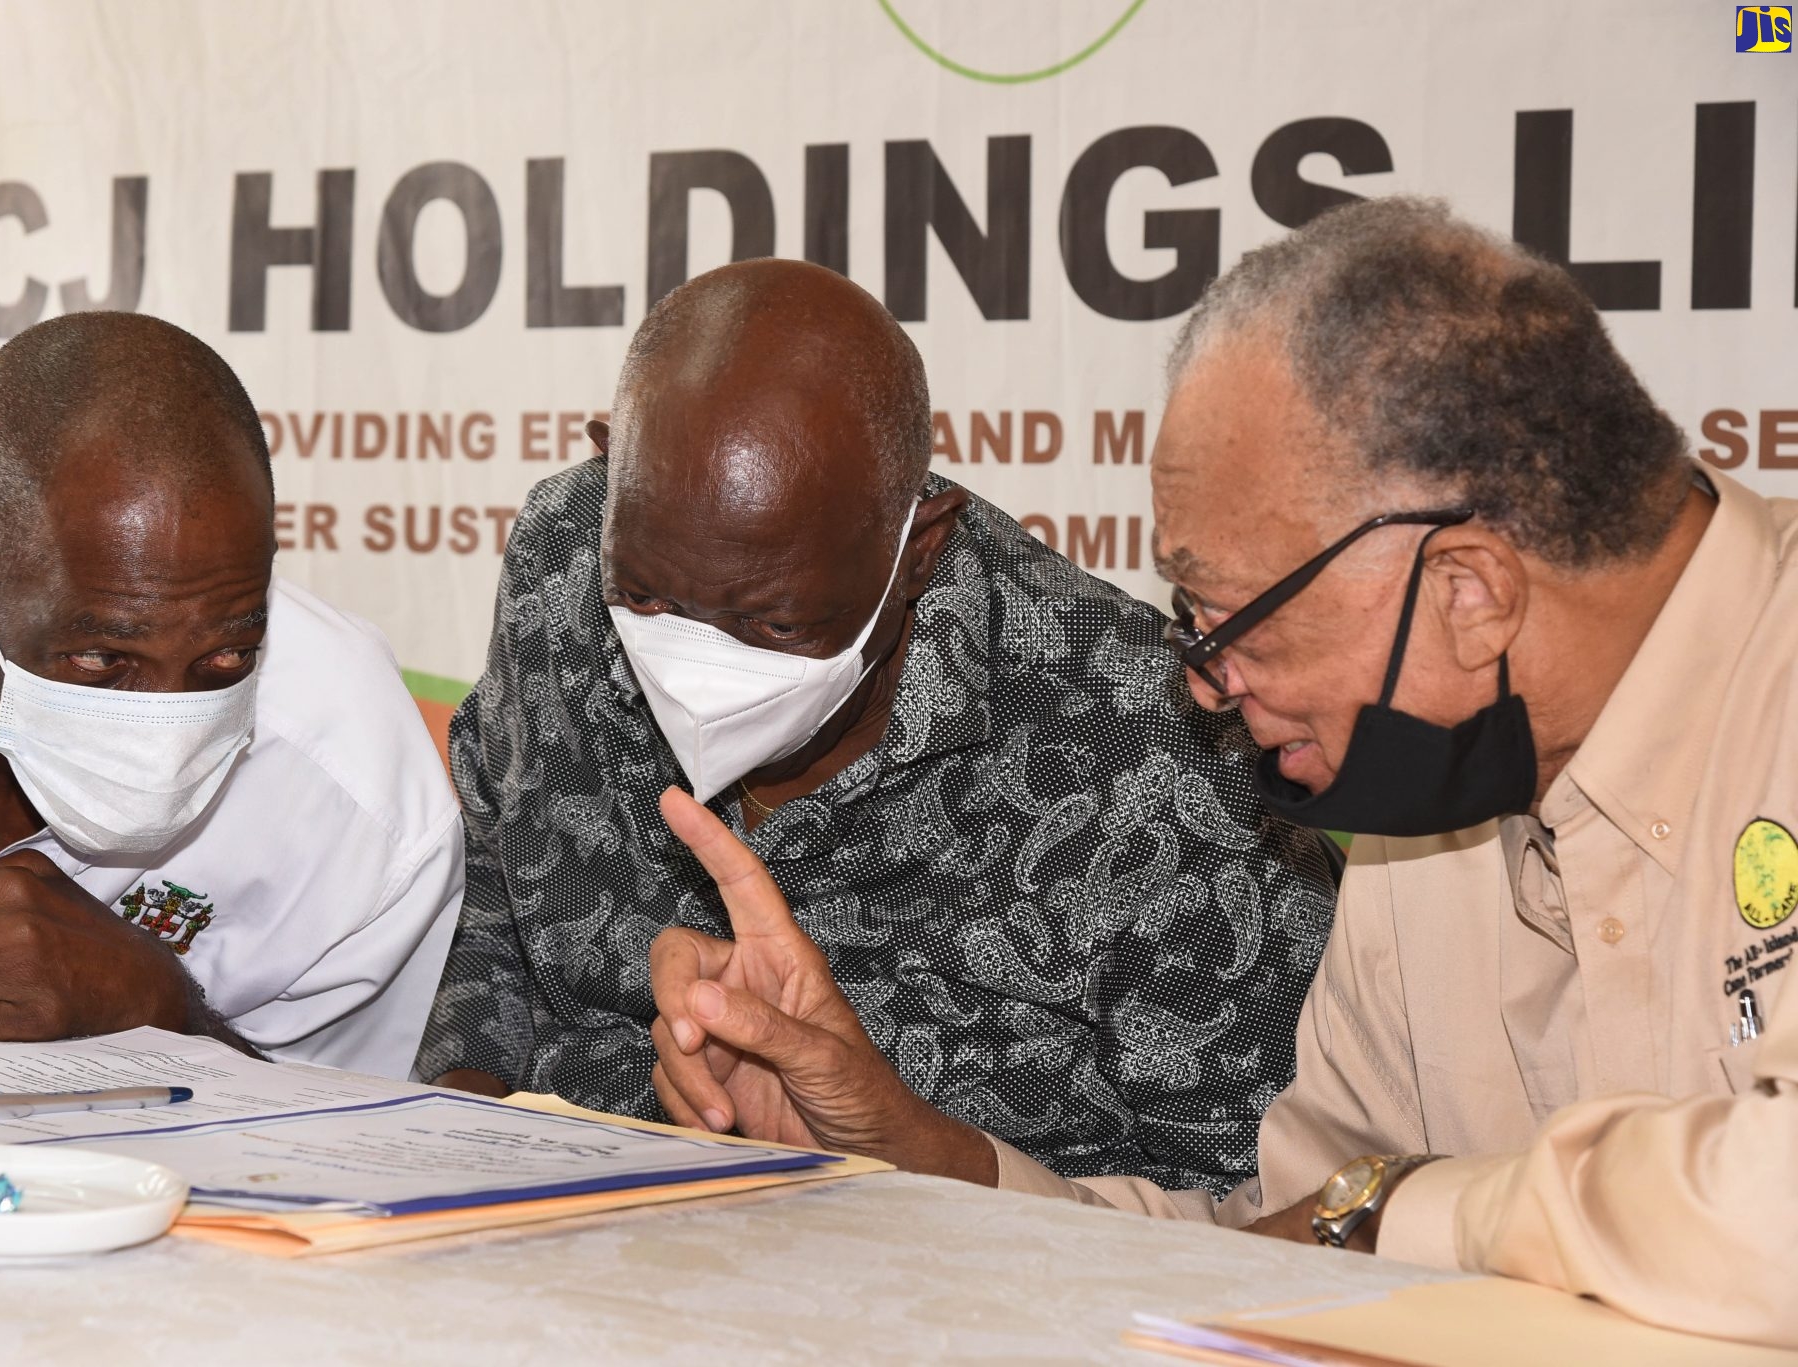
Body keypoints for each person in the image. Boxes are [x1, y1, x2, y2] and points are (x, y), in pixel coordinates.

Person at [643, 198, 1798, 1346]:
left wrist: (1406, 1205)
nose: (1201, 682)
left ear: (1469, 590)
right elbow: (1279, 1236)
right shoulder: (1418, 804)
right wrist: (905, 1150)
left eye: (1226, 616)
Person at [419, 258, 1339, 1192]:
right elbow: (498, 883)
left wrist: (919, 1156)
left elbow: (1262, 1203)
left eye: (775, 624)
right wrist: (448, 1141)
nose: (699, 662)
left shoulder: (1152, 740)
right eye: (649, 596)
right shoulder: (564, 555)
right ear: (611, 467)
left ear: (919, 551)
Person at [0, 313, 462, 1077]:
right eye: (102, 656)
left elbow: (354, 1152)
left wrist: (169, 1014)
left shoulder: (363, 809)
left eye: (227, 654)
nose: (167, 725)